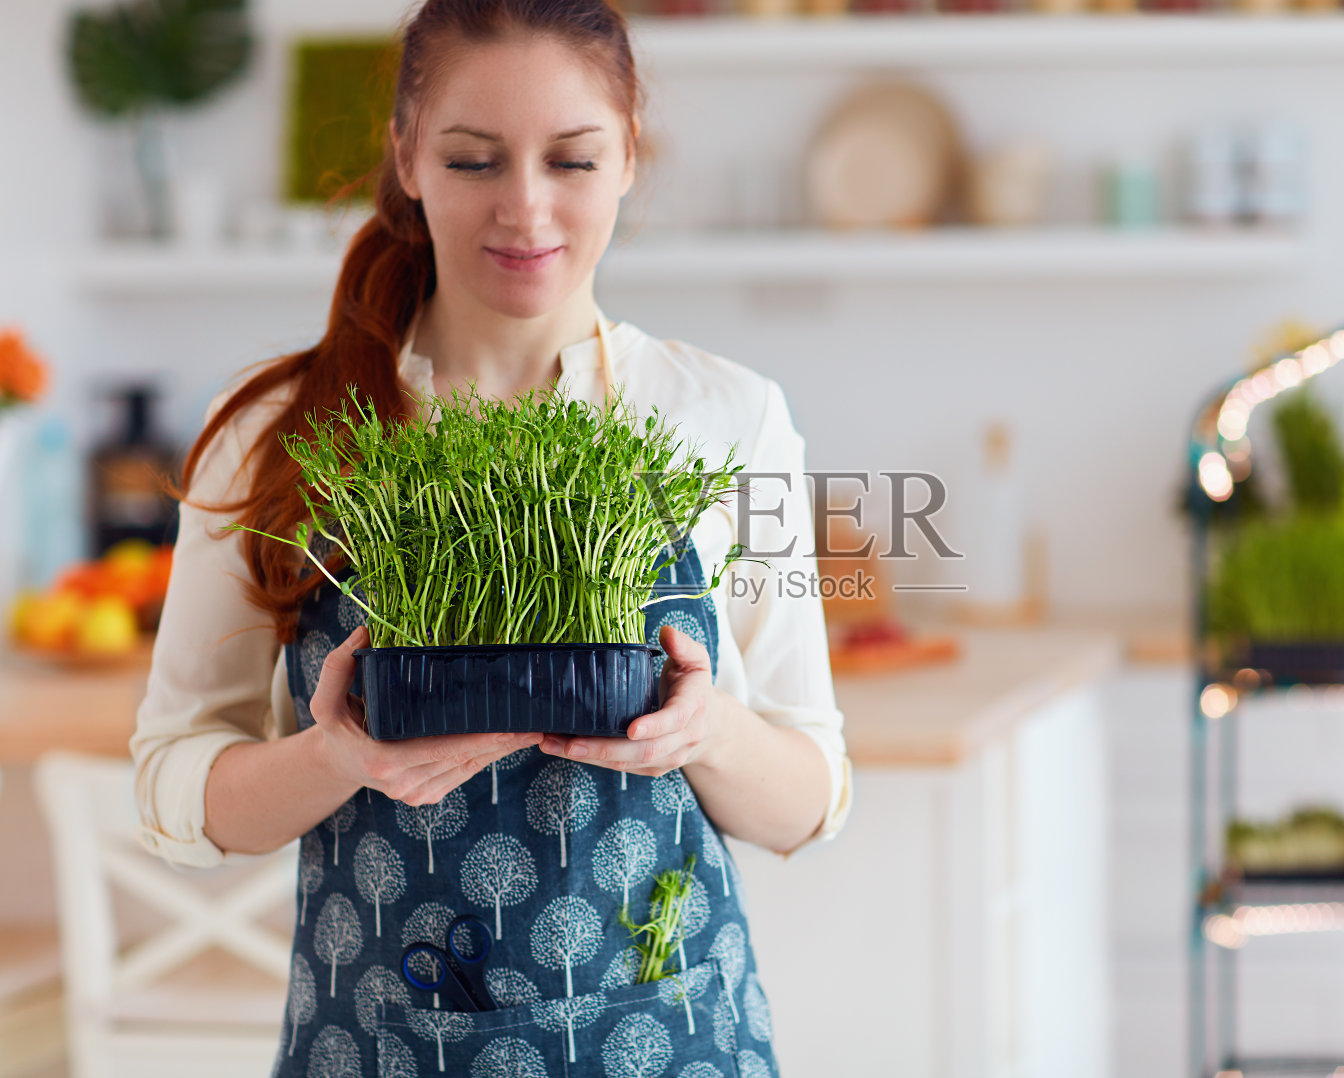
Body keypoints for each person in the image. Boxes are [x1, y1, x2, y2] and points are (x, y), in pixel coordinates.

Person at [128, 1, 852, 1073]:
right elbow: (170, 787)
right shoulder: (273, 433)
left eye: (570, 159)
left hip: (669, 1036)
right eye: (473, 160)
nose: (524, 208)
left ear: (628, 161)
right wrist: (335, 758)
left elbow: (810, 797)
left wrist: (700, 730)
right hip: (377, 1044)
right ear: (408, 155)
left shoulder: (726, 417)